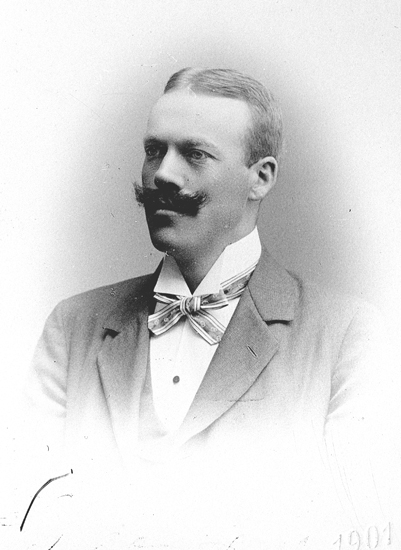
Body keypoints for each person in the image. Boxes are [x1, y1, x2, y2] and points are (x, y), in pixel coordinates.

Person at [20, 68, 399, 549]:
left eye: (195, 153)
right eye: (154, 150)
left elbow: (363, 531)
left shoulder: (346, 335)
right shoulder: (73, 327)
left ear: (260, 178)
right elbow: (24, 518)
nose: (162, 174)